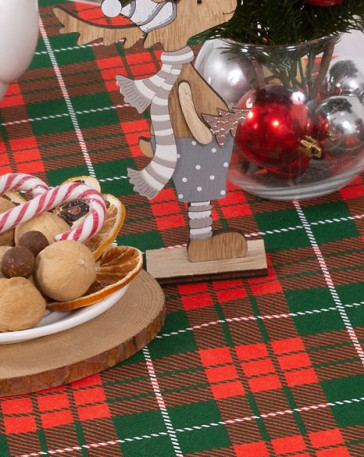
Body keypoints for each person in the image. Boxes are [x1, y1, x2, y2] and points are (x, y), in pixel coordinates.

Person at [55, 0, 248, 262]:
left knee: (201, 192)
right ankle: (201, 241)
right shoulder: (181, 79)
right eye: (199, 1)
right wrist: (205, 135)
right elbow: (189, 116)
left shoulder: (177, 73)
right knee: (200, 194)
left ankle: (202, 238)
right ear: (172, 25)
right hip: (197, 146)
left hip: (199, 145)